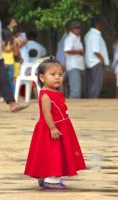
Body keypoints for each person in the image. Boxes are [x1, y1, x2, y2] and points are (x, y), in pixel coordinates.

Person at [24, 58, 86, 189]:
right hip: (50, 128)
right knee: (52, 153)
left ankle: (46, 176)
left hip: (62, 126)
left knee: (60, 152)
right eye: (53, 74)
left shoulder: (56, 93)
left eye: (60, 74)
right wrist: (52, 128)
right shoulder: (46, 95)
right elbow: (47, 113)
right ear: (42, 77)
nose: (57, 77)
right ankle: (51, 180)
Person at [84, 17, 110, 98]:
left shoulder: (88, 35)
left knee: (91, 82)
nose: (102, 25)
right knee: (96, 83)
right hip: (96, 61)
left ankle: (90, 98)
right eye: (101, 23)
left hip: (90, 61)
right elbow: (96, 51)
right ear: (97, 24)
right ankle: (93, 99)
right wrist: (102, 59)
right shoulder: (94, 35)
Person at [64, 21, 85, 98]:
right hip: (73, 65)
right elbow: (67, 50)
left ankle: (74, 105)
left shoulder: (77, 38)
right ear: (71, 29)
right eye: (76, 28)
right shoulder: (70, 38)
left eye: (79, 28)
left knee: (77, 87)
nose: (78, 29)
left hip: (78, 65)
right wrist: (78, 51)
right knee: (75, 88)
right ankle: (73, 106)